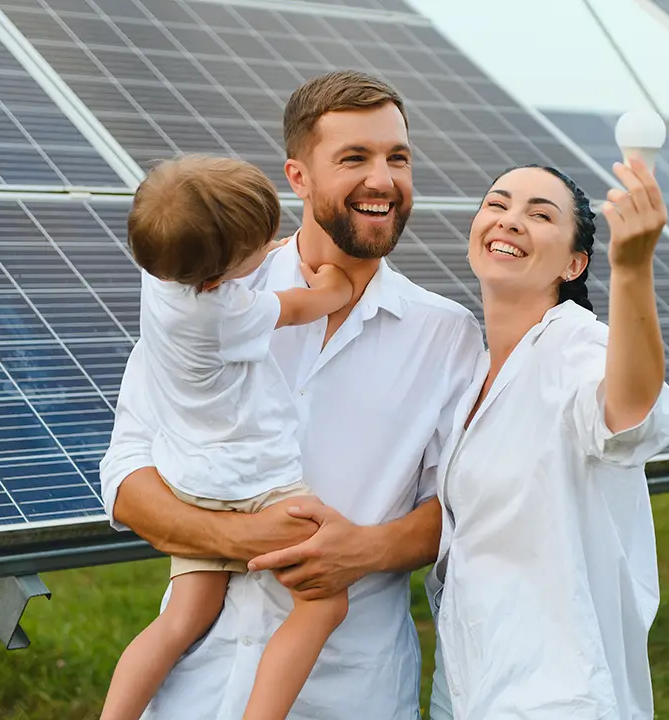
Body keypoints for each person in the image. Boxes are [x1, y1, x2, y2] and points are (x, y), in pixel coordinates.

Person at [98, 71, 483, 719]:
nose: (383, 179)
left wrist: (362, 549)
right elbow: (127, 480)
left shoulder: (447, 335)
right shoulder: (202, 291)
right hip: (199, 684)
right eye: (354, 158)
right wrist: (240, 535)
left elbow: (466, 508)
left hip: (347, 690)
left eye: (398, 157)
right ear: (298, 177)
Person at [100, 155, 356, 720]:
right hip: (255, 480)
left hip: (189, 478)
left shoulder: (161, 275)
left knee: (182, 619)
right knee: (324, 601)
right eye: (258, 248)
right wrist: (334, 287)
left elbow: (216, 244)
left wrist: (250, 250)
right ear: (217, 279)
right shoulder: (225, 314)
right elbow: (301, 306)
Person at [425, 157, 669, 719]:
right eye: (497, 204)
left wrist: (633, 270)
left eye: (539, 215)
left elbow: (628, 411)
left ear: (574, 262)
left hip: (559, 692)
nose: (510, 220)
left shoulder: (577, 347)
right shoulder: (470, 371)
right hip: (467, 686)